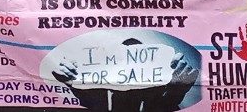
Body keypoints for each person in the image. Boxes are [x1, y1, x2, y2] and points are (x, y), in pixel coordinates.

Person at [52, 37, 199, 111]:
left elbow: (166, 105)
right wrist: (73, 80)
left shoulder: (157, 92)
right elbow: (90, 99)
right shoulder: (100, 92)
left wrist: (177, 91)